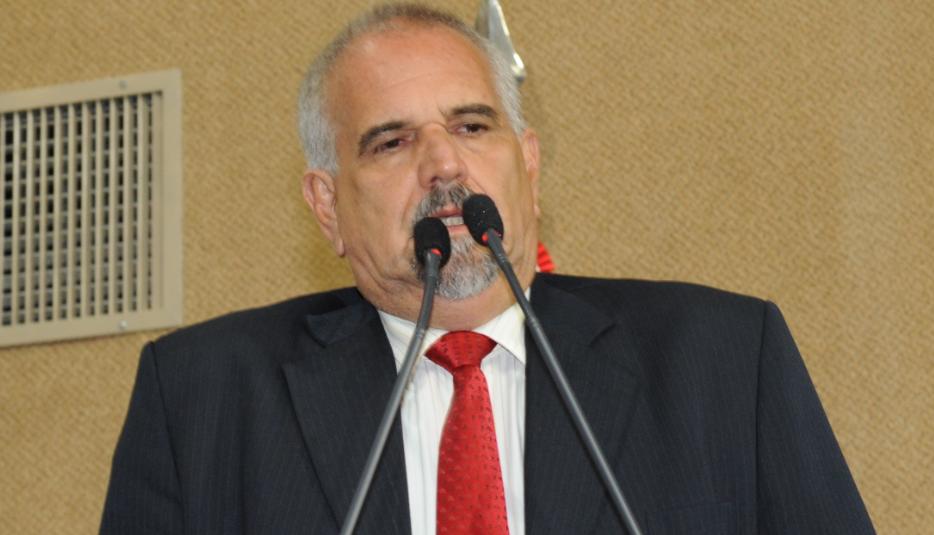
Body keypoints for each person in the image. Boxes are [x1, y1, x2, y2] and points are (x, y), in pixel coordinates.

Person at [100, 4, 875, 534]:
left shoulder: (724, 359)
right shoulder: (201, 396)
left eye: (472, 126)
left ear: (528, 166)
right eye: (392, 142)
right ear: (327, 205)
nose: (444, 164)